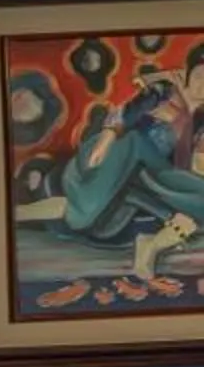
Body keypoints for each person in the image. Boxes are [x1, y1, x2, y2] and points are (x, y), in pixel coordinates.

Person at [58, 57, 204, 271]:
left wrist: (191, 115)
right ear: (187, 76)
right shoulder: (164, 90)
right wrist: (107, 138)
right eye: (200, 76)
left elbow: (184, 167)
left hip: (155, 173)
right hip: (124, 152)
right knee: (83, 214)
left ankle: (150, 246)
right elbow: (129, 110)